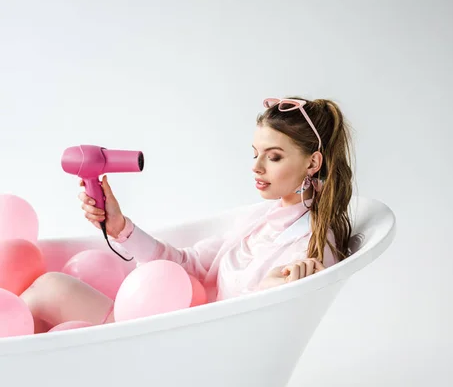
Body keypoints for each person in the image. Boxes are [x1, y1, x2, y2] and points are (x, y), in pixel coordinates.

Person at [20, 96, 354, 333]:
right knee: (39, 291)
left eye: (274, 157)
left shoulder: (309, 248)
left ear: (312, 163)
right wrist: (120, 226)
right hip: (168, 324)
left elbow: (257, 330)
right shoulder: (259, 219)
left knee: (45, 290)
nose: (256, 167)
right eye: (255, 153)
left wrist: (269, 291)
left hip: (183, 346)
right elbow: (186, 265)